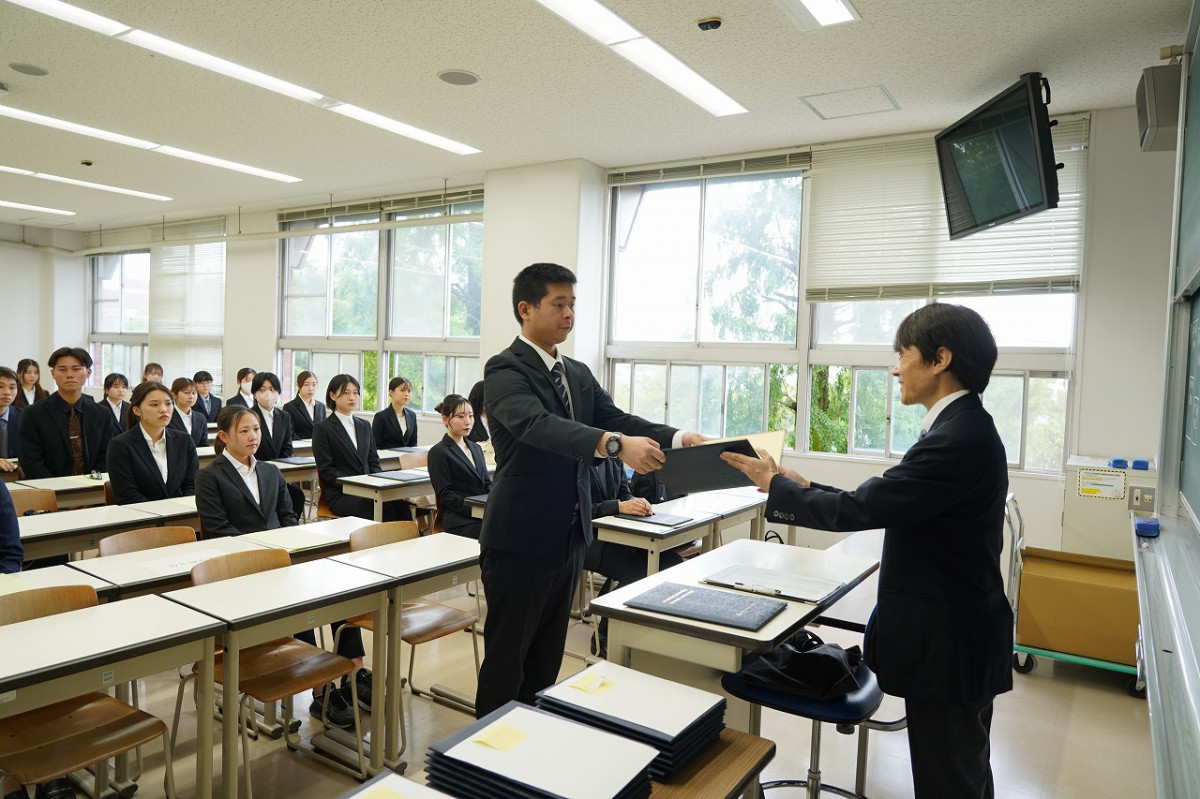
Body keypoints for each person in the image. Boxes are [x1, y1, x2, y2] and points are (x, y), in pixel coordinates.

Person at [722, 303, 1012, 799]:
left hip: (950, 647)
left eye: (903, 354)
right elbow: (885, 500)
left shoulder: (957, 438)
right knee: (961, 773)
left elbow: (862, 508)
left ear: (940, 359)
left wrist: (776, 487)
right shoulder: (962, 427)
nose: (896, 369)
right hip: (961, 639)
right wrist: (800, 485)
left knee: (949, 782)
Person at [474, 262, 702, 718]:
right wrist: (614, 445)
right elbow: (538, 425)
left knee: (545, 660)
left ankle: (530, 741)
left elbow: (617, 419)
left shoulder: (575, 373)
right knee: (507, 662)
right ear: (525, 309)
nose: (569, 314)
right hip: (520, 538)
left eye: (572, 304)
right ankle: (484, 754)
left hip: (571, 536)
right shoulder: (504, 369)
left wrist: (678, 438)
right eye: (558, 304)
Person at [193, 407, 359, 727]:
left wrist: (284, 550)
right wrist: (267, 555)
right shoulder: (209, 476)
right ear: (224, 436)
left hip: (281, 562)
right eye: (244, 430)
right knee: (300, 601)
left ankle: (355, 670)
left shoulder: (269, 471)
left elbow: (287, 517)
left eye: (256, 429)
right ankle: (321, 689)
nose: (253, 436)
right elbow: (219, 530)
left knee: (334, 593)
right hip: (240, 571)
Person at [583, 457, 684, 656]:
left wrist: (635, 502)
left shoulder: (612, 458)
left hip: (617, 535)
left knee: (671, 563)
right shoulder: (578, 460)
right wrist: (618, 506)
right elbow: (580, 509)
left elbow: (624, 492)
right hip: (587, 540)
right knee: (637, 575)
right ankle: (603, 635)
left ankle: (642, 626)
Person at [312, 374, 410, 521]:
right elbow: (326, 470)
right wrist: (357, 484)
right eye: (346, 393)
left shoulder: (364, 425)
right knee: (382, 509)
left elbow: (373, 462)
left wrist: (376, 484)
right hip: (342, 494)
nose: (352, 397)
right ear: (332, 395)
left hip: (369, 489)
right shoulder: (323, 429)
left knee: (401, 506)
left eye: (355, 392)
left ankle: (406, 537)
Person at [19, 347, 116, 479]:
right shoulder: (33, 413)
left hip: (93, 486)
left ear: (88, 373)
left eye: (76, 369)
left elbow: (107, 455)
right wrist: (57, 486)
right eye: (62, 369)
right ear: (53, 373)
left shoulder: (102, 413)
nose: (69, 375)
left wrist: (92, 481)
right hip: (48, 487)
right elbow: (31, 460)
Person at [106, 380, 198, 505]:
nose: (164, 409)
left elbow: (191, 485)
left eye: (168, 403)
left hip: (180, 513)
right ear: (137, 410)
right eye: (154, 404)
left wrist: (179, 510)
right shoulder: (120, 445)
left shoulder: (184, 441)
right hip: (141, 515)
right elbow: (127, 495)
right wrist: (162, 514)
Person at [426, 393, 491, 539]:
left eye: (470, 416)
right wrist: (475, 509)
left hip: (482, 514)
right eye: (460, 417)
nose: (467, 422)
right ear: (445, 420)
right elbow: (446, 496)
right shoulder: (439, 452)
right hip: (460, 520)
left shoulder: (476, 448)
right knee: (499, 532)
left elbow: (487, 484)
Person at [251, 371, 305, 515]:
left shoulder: (284, 416)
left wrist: (280, 467)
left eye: (272, 389)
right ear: (255, 393)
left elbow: (287, 447)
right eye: (262, 389)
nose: (268, 394)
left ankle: (288, 525)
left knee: (297, 495)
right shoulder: (248, 416)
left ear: (278, 392)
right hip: (256, 470)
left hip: (279, 471)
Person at [371, 376, 418, 449]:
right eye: (402, 390)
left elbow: (413, 444)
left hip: (407, 456)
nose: (406, 394)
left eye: (409, 391)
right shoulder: (381, 416)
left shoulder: (412, 415)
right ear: (391, 392)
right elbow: (375, 445)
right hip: (386, 456)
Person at [283, 370, 326, 440]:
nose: (311, 388)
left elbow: (324, 430)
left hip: (319, 445)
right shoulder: (289, 407)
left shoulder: (321, 406)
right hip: (299, 445)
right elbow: (290, 433)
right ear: (298, 386)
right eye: (306, 385)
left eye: (314, 385)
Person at [168, 376, 208, 447]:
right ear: (174, 395)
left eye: (194, 393)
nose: (191, 397)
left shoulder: (200, 418)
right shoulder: (167, 416)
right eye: (186, 393)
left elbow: (204, 444)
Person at [0, 367, 23, 474]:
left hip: (17, 475)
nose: (7, 392)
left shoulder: (24, 417)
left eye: (12, 387)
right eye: (0, 387)